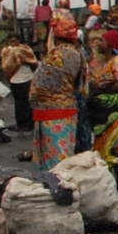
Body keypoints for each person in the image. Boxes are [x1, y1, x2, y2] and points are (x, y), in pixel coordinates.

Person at [30, 14, 88, 171]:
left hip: (52, 111)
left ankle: (57, 186)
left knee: (55, 158)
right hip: (66, 107)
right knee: (64, 151)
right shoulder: (77, 53)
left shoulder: (57, 56)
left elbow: (40, 85)